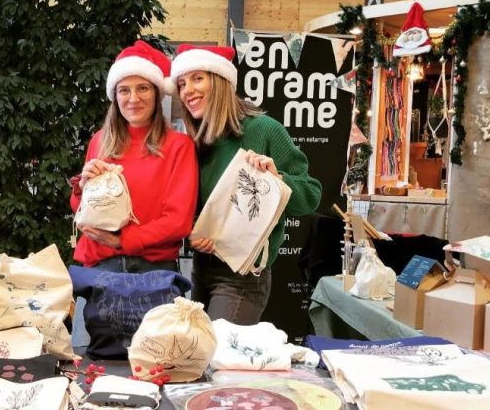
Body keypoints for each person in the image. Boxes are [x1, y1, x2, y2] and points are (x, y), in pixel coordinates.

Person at [170, 44, 322, 325]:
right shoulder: (197, 144)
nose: (187, 90)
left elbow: (311, 196)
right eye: (181, 83)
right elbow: (191, 206)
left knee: (218, 356)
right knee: (199, 357)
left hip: (242, 276)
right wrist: (191, 233)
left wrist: (279, 179)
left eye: (197, 78)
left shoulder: (263, 130)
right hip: (201, 269)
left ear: (220, 81)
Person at [70, 40, 198, 274]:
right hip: (100, 266)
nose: (133, 98)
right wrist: (83, 188)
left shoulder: (178, 146)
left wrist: (123, 240)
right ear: (115, 96)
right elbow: (82, 209)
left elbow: (178, 221)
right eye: (124, 90)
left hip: (152, 270)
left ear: (157, 93)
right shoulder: (100, 141)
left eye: (143, 88)